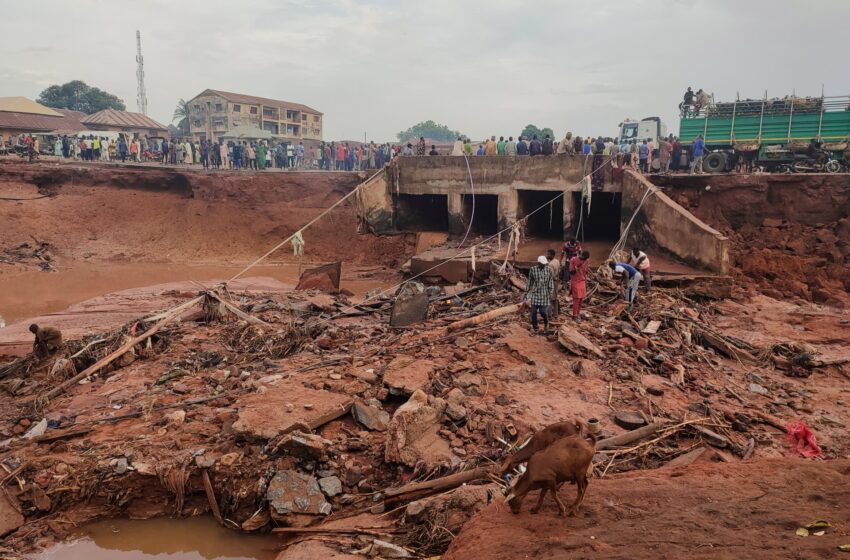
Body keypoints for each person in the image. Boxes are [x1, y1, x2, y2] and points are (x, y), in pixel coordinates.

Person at [526, 256, 554, 335]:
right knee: (533, 312)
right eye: (542, 264)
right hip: (535, 294)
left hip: (544, 294)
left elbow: (550, 281)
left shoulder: (548, 269)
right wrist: (527, 292)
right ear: (538, 263)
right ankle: (535, 328)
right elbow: (530, 281)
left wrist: (551, 292)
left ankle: (546, 323)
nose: (544, 265)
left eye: (545, 263)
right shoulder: (533, 270)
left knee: (543, 312)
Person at [569, 250, 590, 322]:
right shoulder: (573, 259)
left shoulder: (586, 261)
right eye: (584, 258)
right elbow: (571, 271)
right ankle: (574, 315)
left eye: (586, 259)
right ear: (581, 255)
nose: (584, 260)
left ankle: (577, 314)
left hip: (582, 281)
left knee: (581, 299)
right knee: (576, 299)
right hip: (575, 281)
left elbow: (585, 272)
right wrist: (578, 265)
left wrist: (586, 282)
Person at [546, 249, 560, 317]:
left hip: (551, 282)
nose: (547, 255)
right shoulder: (557, 261)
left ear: (552, 255)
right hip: (556, 282)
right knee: (555, 298)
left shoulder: (550, 264)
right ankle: (555, 313)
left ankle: (548, 314)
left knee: (550, 299)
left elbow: (550, 276)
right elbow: (558, 271)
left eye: (548, 254)